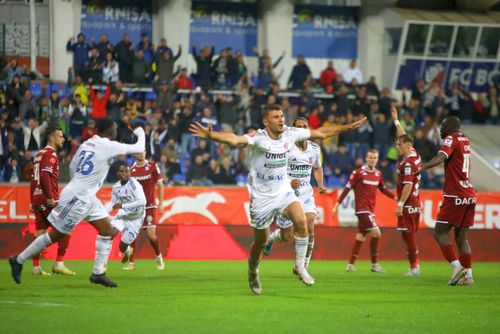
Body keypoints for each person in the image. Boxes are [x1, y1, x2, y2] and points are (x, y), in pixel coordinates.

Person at [189, 104, 366, 295]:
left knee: (301, 220)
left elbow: (321, 133)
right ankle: (253, 270)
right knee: (260, 242)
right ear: (266, 121)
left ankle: (300, 267)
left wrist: (347, 127)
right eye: (276, 117)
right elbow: (234, 140)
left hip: (284, 191)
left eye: (282, 116)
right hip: (261, 197)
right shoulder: (259, 138)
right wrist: (211, 135)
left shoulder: (291, 134)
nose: (281, 119)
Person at [9, 118, 145, 287]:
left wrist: (82, 183)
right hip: (78, 197)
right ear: (110, 131)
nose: (116, 131)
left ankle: (98, 274)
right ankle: (18, 260)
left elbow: (73, 168)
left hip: (86, 196)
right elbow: (139, 148)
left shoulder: (86, 145)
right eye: (115, 127)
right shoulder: (109, 145)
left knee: (108, 230)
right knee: (56, 235)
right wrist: (140, 131)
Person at [262, 118, 327, 273]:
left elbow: (317, 168)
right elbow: (275, 170)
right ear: (292, 130)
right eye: (298, 127)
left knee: (310, 221)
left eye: (305, 127)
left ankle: (303, 265)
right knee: (286, 236)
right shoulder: (286, 147)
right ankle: (271, 238)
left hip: (305, 191)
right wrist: (289, 182)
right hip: (286, 192)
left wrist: (320, 184)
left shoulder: (314, 148)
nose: (302, 130)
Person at [419, 116, 476, 286]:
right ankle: (468, 277)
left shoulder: (451, 139)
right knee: (461, 238)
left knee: (440, 232)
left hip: (455, 194)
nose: (440, 129)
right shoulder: (465, 139)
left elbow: (441, 157)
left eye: (443, 126)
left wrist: (422, 167)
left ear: (451, 126)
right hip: (469, 194)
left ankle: (457, 266)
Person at [333, 149, 396, 273]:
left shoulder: (378, 174)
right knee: (376, 233)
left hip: (371, 210)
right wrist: (337, 204)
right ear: (366, 158)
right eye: (370, 157)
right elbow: (347, 188)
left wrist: (395, 197)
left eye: (375, 158)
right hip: (362, 210)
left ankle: (350, 265)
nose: (372, 160)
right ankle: (374, 264)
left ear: (377, 159)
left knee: (361, 236)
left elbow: (383, 189)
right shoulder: (358, 173)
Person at [30, 125, 75, 276]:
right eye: (60, 136)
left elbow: (33, 179)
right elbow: (44, 176)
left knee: (40, 234)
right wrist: (50, 197)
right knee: (67, 227)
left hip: (37, 198)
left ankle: (36, 267)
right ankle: (59, 264)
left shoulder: (38, 155)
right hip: (48, 199)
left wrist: (32, 201)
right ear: (51, 138)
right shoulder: (51, 154)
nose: (63, 139)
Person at [392, 107, 422, 277]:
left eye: (399, 144)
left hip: (409, 204)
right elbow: (404, 136)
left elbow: (408, 185)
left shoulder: (408, 163)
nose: (396, 146)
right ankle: (414, 266)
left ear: (407, 146)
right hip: (414, 203)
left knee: (409, 236)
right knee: (406, 235)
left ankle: (415, 268)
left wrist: (400, 204)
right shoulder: (413, 153)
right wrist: (396, 121)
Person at [128, 151, 165, 270]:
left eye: (144, 151)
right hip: (136, 207)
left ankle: (158, 255)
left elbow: (160, 185)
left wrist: (161, 205)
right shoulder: (131, 169)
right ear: (135, 154)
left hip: (149, 205)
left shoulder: (153, 166)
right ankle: (131, 263)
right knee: (132, 235)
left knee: (151, 235)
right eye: (139, 152)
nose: (142, 154)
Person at [107, 164, 146, 265]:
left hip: (136, 218)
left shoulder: (135, 185)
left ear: (130, 173)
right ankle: (102, 265)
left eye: (127, 171)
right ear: (118, 173)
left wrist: (123, 205)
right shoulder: (116, 187)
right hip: (123, 215)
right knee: (110, 234)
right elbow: (112, 203)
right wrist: (103, 213)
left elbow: (143, 202)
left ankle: (127, 251)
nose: (124, 174)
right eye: (122, 171)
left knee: (122, 247)